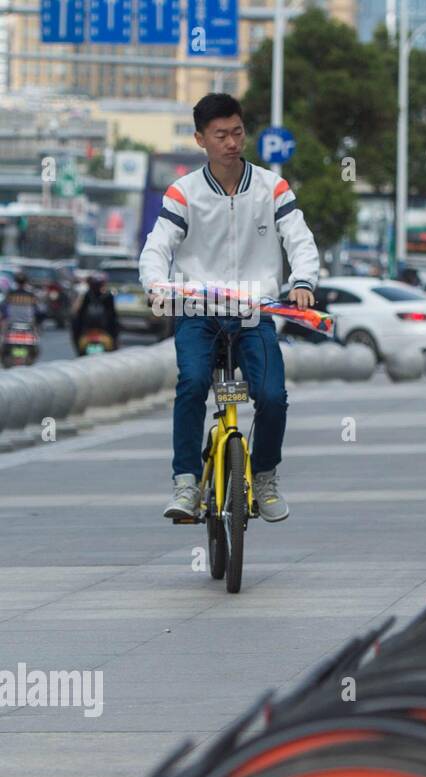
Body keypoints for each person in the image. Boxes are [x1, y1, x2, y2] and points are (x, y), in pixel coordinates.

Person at [140, 92, 319, 523]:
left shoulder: (271, 187)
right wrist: (158, 287)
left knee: (273, 397)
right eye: (220, 135)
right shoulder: (183, 193)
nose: (231, 142)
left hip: (255, 311)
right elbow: (156, 248)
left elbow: (300, 239)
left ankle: (264, 476)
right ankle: (185, 483)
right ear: (201, 139)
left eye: (237, 132)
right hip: (199, 311)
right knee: (193, 384)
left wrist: (302, 282)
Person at [70, 273, 120, 353]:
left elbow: (113, 317)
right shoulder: (87, 296)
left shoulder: (108, 297)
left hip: (105, 330)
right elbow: (78, 315)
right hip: (87, 330)